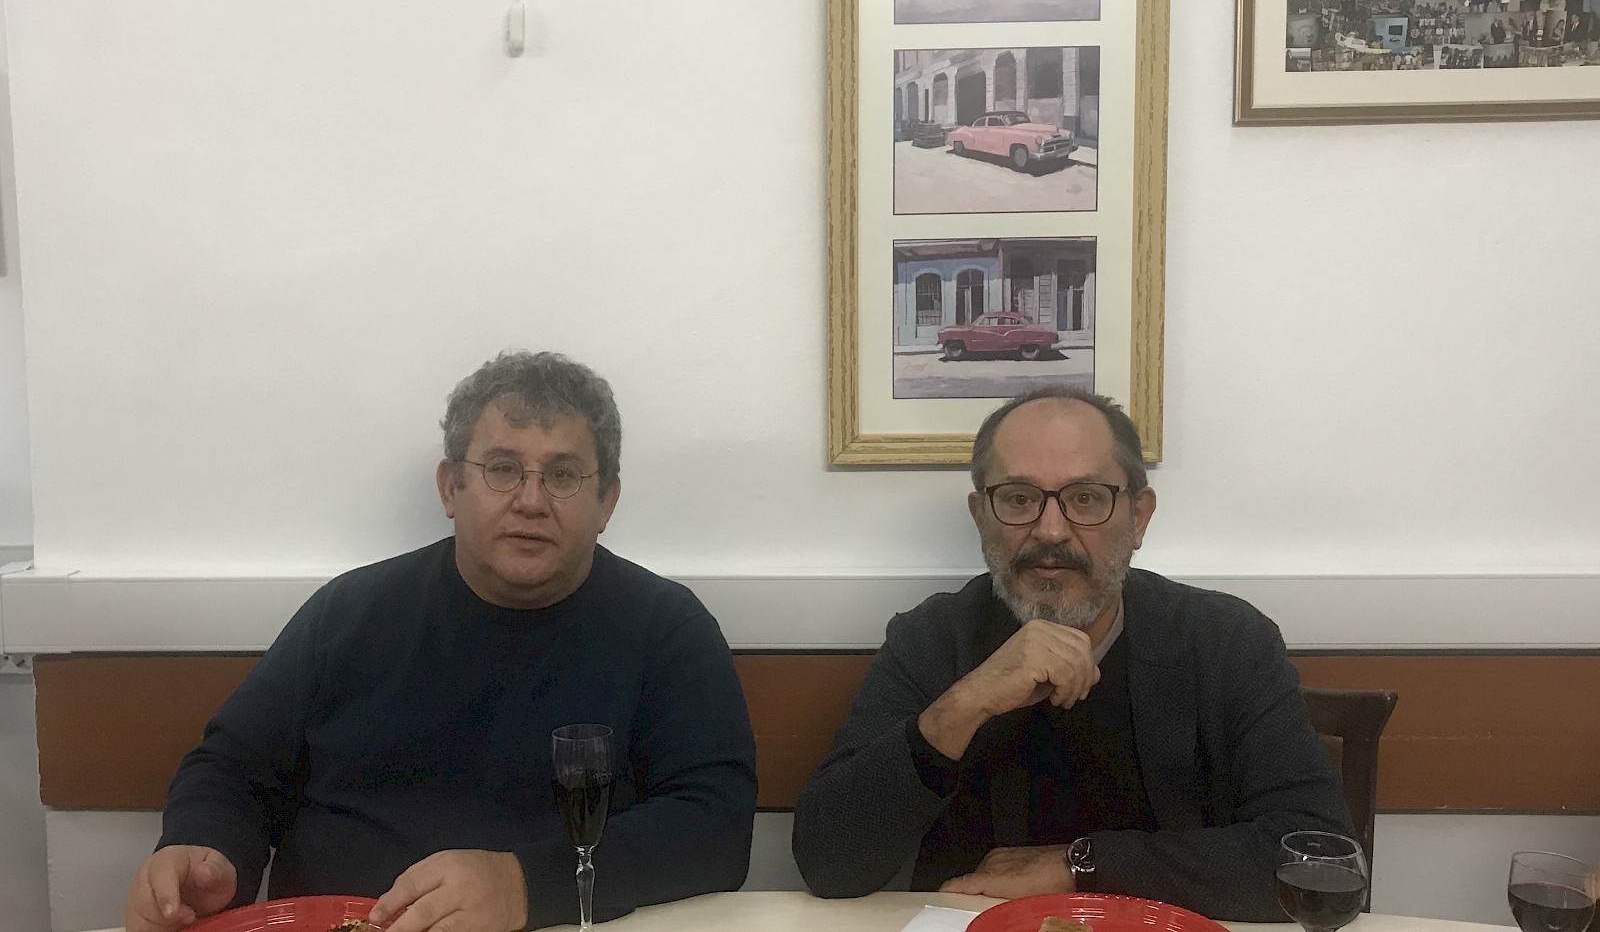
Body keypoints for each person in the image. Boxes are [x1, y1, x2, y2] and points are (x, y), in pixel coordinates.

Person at [123, 351, 758, 932]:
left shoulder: (667, 631)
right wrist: (203, 850)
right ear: (450, 487)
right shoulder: (348, 614)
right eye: (502, 469)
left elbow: (715, 827)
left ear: (606, 501)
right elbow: (232, 768)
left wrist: (525, 886)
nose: (531, 500)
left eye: (563, 475)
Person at [791, 388, 1350, 921]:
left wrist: (1081, 865)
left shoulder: (1227, 640)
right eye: (1018, 498)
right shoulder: (931, 638)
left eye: (1086, 498)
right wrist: (965, 704)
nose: (1051, 530)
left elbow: (1315, 854)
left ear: (1139, 517)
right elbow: (829, 863)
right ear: (981, 516)